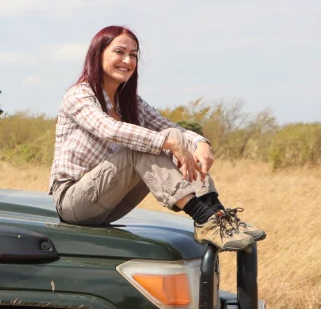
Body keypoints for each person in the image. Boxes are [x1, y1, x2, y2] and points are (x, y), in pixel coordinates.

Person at [49, 26, 264, 251]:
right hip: (74, 202)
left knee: (171, 135)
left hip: (111, 201)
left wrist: (201, 143)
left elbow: (171, 129)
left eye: (133, 55)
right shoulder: (79, 94)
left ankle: (217, 216)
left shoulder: (131, 102)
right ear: (98, 54)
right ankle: (202, 217)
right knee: (143, 146)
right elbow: (109, 129)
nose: (127, 60)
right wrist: (171, 144)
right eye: (119, 52)